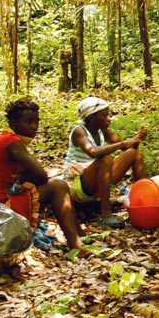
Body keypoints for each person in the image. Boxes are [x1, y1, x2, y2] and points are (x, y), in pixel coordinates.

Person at [0, 97, 84, 251]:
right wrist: (27, 176)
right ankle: (76, 245)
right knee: (58, 186)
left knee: (59, 186)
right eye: (29, 122)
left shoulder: (9, 138)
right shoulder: (11, 142)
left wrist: (25, 176)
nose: (34, 126)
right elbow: (41, 175)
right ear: (13, 123)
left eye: (36, 122)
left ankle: (80, 236)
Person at [64, 96, 149, 228]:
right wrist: (124, 143)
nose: (109, 118)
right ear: (92, 118)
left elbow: (126, 147)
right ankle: (106, 214)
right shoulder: (79, 131)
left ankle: (146, 199)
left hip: (96, 180)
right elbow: (92, 151)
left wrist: (137, 139)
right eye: (104, 115)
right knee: (105, 159)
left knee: (134, 154)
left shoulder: (103, 131)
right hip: (77, 185)